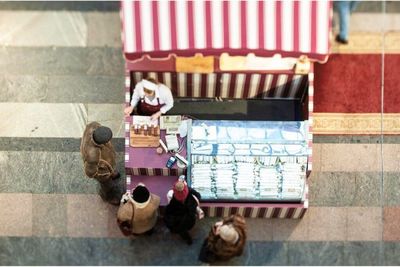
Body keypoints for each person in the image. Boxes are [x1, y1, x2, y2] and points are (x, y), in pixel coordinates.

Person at [80, 122, 124, 205]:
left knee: (110, 171)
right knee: (107, 186)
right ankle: (107, 197)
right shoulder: (92, 156)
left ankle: (111, 173)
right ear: (101, 143)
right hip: (102, 173)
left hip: (107, 164)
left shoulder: (94, 126)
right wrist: (104, 175)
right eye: (107, 141)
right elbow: (90, 173)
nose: (109, 141)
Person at [164, 177, 203, 245]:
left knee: (182, 230)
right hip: (188, 218)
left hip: (183, 220)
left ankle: (188, 239)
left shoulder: (173, 202)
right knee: (183, 230)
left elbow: (169, 214)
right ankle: (188, 239)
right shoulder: (188, 192)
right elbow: (198, 195)